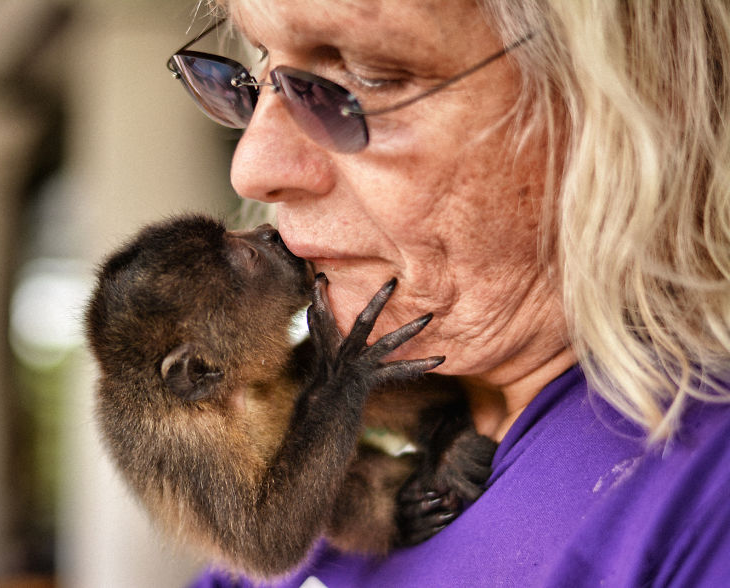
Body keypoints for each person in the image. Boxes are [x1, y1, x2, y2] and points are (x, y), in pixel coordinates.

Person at [165, 1, 730, 586]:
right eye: (259, 67)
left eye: (368, 72)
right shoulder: (300, 472)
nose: (251, 166)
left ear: (627, 94)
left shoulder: (700, 498)